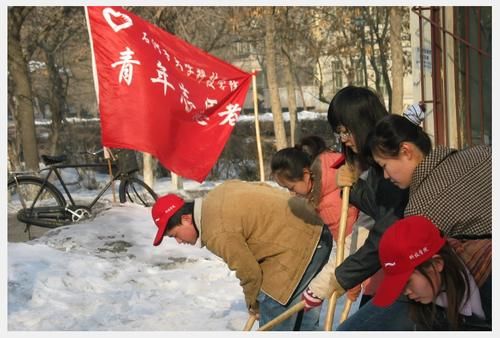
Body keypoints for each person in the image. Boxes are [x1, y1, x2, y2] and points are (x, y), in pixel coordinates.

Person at [298, 86, 412, 330]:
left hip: (412, 277)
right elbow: (374, 215)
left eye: (346, 130)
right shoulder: (371, 165)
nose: (343, 139)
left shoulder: (394, 163)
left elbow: (385, 223)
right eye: (338, 132)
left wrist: (336, 279)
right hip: (385, 272)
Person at [150, 180, 332, 331]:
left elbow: (249, 271)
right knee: (304, 321)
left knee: (272, 312)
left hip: (301, 243)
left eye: (175, 235)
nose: (179, 242)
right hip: (313, 227)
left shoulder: (215, 231)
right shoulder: (216, 195)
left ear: (186, 219)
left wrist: (253, 304)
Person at [367, 112, 492, 324]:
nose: (386, 176)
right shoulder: (479, 153)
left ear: (406, 151)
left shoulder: (421, 211)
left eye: (384, 166)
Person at [270, 135, 361, 302]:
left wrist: (353, 282)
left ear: (305, 175)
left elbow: (351, 246)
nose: (292, 193)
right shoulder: (330, 168)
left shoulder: (329, 202)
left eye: (291, 187)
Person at [374, 215, 490, 330]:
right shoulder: (427, 301)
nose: (405, 292)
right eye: (398, 284)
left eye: (407, 281)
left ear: (437, 263)